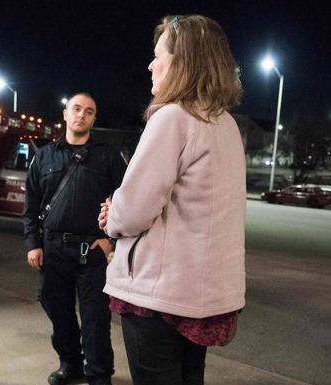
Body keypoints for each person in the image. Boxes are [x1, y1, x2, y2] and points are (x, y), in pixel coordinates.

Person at [98, 15, 246, 385]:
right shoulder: (225, 124)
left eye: (158, 55)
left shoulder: (172, 118)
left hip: (158, 295)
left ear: (183, 62)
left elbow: (132, 213)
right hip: (202, 293)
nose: (151, 64)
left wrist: (112, 213)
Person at [23, 92, 126, 385]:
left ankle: (99, 374)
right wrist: (33, 244)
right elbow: (30, 205)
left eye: (89, 112)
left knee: (96, 320)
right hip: (53, 250)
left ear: (94, 119)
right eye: (77, 109)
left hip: (92, 252)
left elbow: (128, 202)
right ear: (66, 114)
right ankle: (70, 365)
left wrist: (111, 240)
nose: (81, 115)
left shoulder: (108, 156)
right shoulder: (44, 156)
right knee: (59, 313)